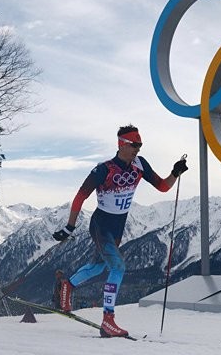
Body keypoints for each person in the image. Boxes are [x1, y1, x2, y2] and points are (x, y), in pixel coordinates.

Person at [52, 124, 187, 337]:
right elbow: (80, 196)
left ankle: (67, 285)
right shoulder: (103, 169)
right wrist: (69, 227)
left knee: (97, 267)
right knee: (118, 267)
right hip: (101, 225)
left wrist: (175, 172)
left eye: (139, 145)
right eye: (134, 145)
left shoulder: (140, 165)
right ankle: (108, 320)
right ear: (122, 144)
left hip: (118, 227)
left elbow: (162, 186)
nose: (137, 149)